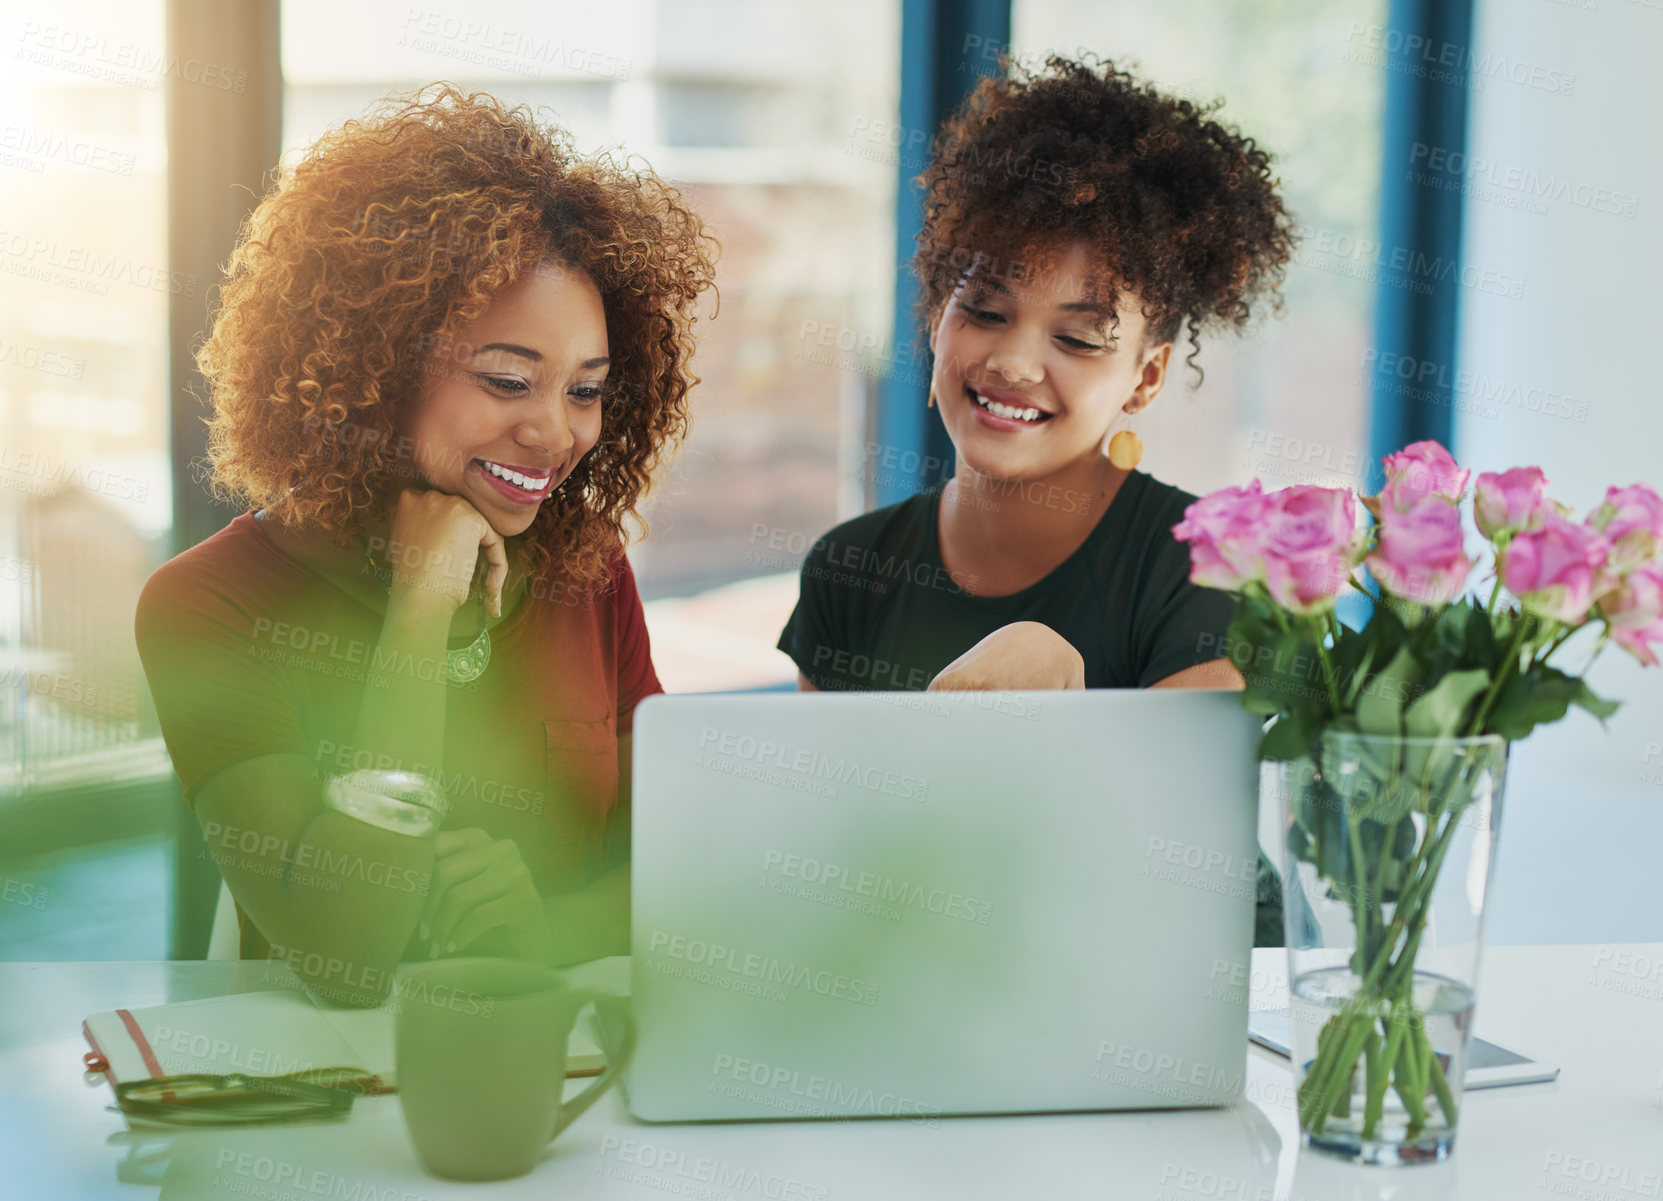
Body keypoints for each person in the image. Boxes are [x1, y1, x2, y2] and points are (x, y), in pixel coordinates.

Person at [136, 86, 715, 1003]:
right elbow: (346, 957)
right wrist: (418, 606)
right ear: (377, 364)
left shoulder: (585, 563)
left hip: (551, 1094)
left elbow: (681, 871)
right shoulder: (211, 602)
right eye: (507, 380)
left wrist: (545, 931)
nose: (554, 434)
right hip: (324, 1115)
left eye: (584, 390)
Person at [776, 55, 1294, 944]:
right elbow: (827, 873)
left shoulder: (1202, 567)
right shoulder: (848, 570)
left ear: (1147, 375)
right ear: (937, 312)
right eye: (983, 308)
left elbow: (1174, 876)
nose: (1014, 362)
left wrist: (1062, 719)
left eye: (1077, 337)